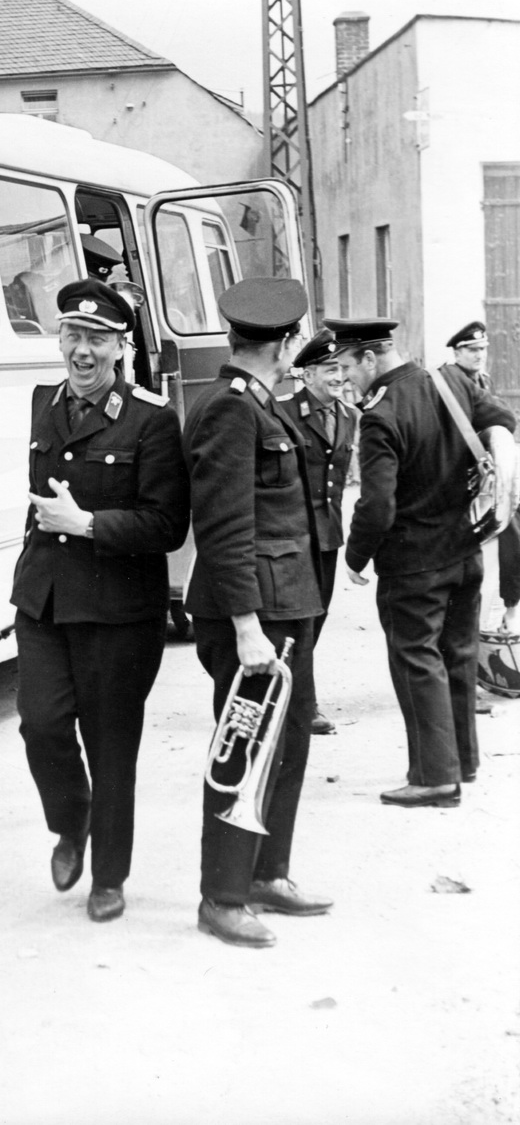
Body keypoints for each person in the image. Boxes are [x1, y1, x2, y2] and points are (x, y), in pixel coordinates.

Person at [11, 277, 190, 922]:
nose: (81, 351)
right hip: (45, 601)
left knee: (111, 746)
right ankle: (72, 819)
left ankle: (109, 877)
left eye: (96, 339)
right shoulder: (45, 402)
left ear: (120, 348)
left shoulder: (151, 419)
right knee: (41, 724)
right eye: (72, 336)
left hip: (119, 613)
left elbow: (167, 526)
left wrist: (86, 524)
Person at [183, 277, 332, 950]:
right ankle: (222, 895)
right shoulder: (231, 409)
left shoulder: (259, 403)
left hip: (287, 605)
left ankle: (268, 873)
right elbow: (224, 525)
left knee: (289, 744)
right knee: (242, 748)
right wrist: (245, 625)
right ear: (287, 343)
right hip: (253, 615)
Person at [327, 316, 516, 808]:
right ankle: (461, 762)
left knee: (417, 662)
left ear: (371, 358)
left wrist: (356, 556)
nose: (346, 378)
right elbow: (503, 420)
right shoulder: (448, 380)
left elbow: (377, 504)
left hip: (413, 564)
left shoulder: (381, 415)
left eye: (349, 366)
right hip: (465, 553)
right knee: (457, 656)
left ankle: (434, 778)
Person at [280, 328, 356, 735]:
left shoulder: (349, 416)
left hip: (328, 536)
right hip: (295, 536)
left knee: (319, 618)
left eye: (341, 369)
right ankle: (302, 706)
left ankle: (292, 694)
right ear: (307, 375)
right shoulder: (283, 412)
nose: (339, 377)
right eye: (330, 370)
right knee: (301, 622)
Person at [440, 319, 499, 713]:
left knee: (481, 591)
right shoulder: (448, 385)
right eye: (472, 350)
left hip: (480, 495)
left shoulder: (483, 382)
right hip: (454, 495)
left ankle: (468, 677)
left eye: (482, 349)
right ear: (457, 352)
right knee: (458, 597)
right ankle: (457, 682)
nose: (479, 356)